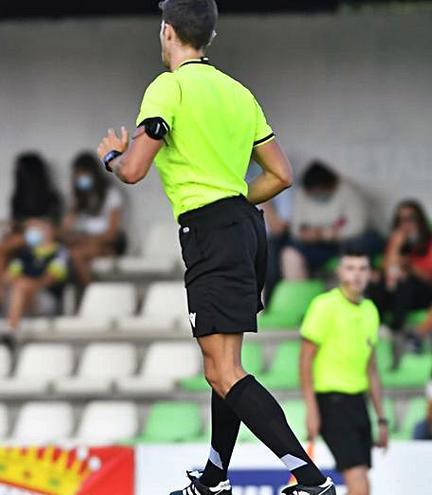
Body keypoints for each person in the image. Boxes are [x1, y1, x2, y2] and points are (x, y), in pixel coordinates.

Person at [95, 1, 333, 494]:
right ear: (210, 37)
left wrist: (112, 156)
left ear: (167, 32)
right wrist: (233, 198)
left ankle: (310, 479)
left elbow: (135, 169)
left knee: (224, 370)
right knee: (221, 366)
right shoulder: (238, 93)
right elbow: (280, 175)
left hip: (210, 232)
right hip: (245, 229)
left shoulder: (168, 87)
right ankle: (213, 477)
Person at [299, 249, 388, 495]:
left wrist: (381, 418)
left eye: (362, 268)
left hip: (358, 403)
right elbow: (305, 360)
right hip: (332, 401)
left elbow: (371, 368)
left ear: (370, 273)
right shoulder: (324, 305)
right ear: (339, 272)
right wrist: (312, 409)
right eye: (350, 268)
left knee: (362, 485)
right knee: (358, 482)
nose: (356, 275)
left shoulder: (371, 310)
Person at [281, 160, 379, 280]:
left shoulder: (347, 191)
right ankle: (300, 290)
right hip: (315, 246)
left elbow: (358, 226)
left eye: (320, 191)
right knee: (290, 250)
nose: (317, 196)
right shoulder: (302, 194)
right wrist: (306, 235)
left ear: (331, 185)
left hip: (345, 243)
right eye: (314, 193)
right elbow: (295, 228)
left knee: (364, 242)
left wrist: (327, 234)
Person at [0, 216, 68, 337]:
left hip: (45, 299)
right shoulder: (25, 253)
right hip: (18, 296)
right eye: (28, 229)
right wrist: (1, 254)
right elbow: (7, 279)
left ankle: (11, 331)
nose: (30, 232)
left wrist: (26, 284)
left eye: (35, 227)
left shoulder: (59, 251)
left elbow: (49, 279)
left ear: (48, 230)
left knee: (21, 285)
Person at [0, 152, 63, 279]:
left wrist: (31, 224)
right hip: (22, 237)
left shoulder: (51, 197)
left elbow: (53, 226)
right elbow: (17, 223)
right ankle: (1, 285)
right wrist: (10, 225)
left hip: (43, 239)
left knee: (8, 244)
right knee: (3, 250)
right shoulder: (18, 198)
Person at [60, 151, 126, 287]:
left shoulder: (111, 194)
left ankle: (91, 293)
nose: (80, 178)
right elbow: (64, 231)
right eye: (77, 174)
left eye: (84, 173)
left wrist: (85, 239)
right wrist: (74, 209)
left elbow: (111, 234)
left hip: (107, 244)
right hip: (82, 242)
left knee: (77, 254)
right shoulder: (77, 199)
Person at [368, 200, 432, 338]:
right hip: (396, 292)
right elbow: (386, 269)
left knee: (405, 281)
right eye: (401, 220)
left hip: (423, 293)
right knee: (377, 281)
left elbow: (428, 277)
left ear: (420, 219)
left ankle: (396, 327)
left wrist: (409, 267)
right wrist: (396, 245)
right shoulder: (397, 239)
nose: (406, 223)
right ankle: (376, 324)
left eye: (410, 218)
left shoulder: (429, 242)